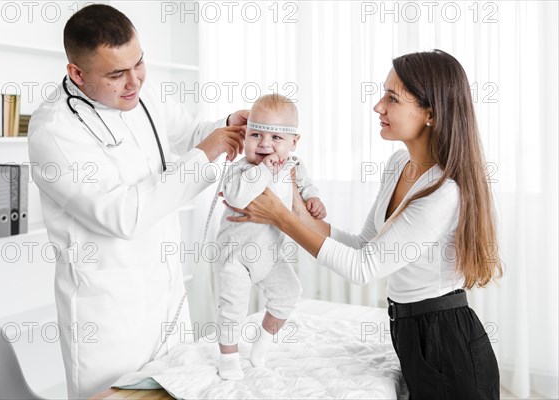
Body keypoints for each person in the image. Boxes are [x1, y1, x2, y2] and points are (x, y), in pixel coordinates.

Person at [226, 50, 502, 399]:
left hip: (446, 344)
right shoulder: (399, 163)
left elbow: (362, 268)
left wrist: (279, 218)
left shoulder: (443, 192)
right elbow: (363, 245)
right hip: (408, 330)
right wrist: (294, 208)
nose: (378, 107)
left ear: (430, 113)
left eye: (392, 98)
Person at [28, 4, 248, 398]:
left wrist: (228, 125)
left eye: (139, 63)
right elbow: (123, 216)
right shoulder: (54, 133)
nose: (135, 82)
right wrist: (205, 152)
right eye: (116, 74)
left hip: (166, 297)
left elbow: (190, 133)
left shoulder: (141, 94)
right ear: (76, 73)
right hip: (110, 318)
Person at [214, 94, 325, 380]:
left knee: (290, 292)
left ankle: (262, 341)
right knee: (232, 309)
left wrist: (313, 199)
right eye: (256, 134)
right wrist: (263, 170)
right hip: (235, 256)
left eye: (276, 136)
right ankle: (227, 357)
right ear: (245, 135)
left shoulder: (293, 166)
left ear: (293, 143)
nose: (264, 144)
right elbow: (237, 197)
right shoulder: (241, 170)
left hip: (269, 255)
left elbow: (305, 185)